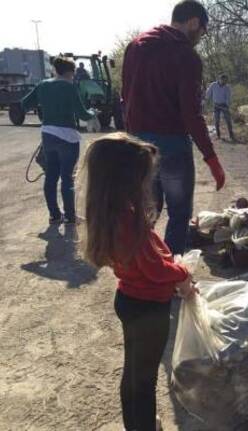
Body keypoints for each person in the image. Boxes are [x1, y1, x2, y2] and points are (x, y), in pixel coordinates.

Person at [82, 133, 198, 431]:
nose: (147, 183)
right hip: (149, 308)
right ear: (126, 179)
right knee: (145, 380)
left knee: (133, 372)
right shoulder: (128, 220)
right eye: (143, 177)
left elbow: (149, 256)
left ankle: (135, 424)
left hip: (128, 299)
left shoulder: (109, 213)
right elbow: (156, 269)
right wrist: (183, 274)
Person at [122, 0, 225, 255]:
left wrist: (130, 139)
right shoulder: (186, 56)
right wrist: (211, 159)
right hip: (172, 146)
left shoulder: (135, 47)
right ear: (193, 22)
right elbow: (191, 114)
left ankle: (138, 269)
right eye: (202, 31)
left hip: (140, 147)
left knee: (146, 212)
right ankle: (171, 275)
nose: (200, 38)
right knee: (179, 214)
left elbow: (125, 97)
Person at [21, 56, 96, 225]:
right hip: (67, 137)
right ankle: (70, 217)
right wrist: (93, 113)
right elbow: (82, 114)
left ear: (55, 69)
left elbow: (24, 104)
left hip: (48, 135)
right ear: (70, 71)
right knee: (67, 177)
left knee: (51, 176)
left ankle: (54, 215)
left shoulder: (42, 85)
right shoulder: (69, 87)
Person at [205, 73, 235, 140]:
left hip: (224, 105)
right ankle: (218, 136)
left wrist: (226, 106)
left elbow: (228, 98)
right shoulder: (213, 85)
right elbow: (208, 93)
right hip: (216, 105)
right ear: (220, 79)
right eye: (223, 80)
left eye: (226, 81)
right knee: (216, 120)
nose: (225, 82)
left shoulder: (227, 87)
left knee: (228, 120)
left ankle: (231, 135)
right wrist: (206, 99)